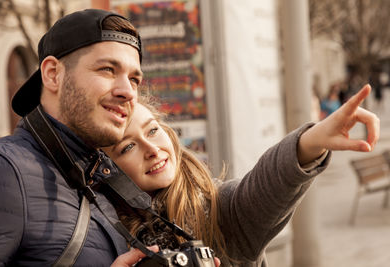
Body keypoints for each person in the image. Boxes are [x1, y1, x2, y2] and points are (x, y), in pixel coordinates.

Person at [103, 84, 379, 266]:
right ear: (107, 168)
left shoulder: (218, 210)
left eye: (152, 130)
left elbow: (266, 185)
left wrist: (312, 141)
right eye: (128, 147)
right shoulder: (101, 232)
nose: (152, 149)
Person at [0, 9, 169, 267]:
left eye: (134, 79)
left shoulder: (100, 180)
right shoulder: (2, 170)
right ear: (53, 74)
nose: (127, 92)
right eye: (107, 69)